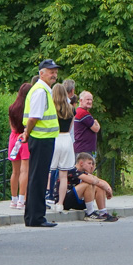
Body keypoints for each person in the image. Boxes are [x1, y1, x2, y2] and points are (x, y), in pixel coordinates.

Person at [21, 59, 61, 228]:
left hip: (42, 139)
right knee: (38, 178)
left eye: (55, 71)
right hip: (41, 139)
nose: (54, 74)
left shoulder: (44, 90)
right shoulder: (40, 91)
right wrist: (27, 133)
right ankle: (36, 217)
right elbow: (34, 117)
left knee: (37, 177)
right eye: (50, 71)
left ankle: (33, 217)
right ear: (41, 73)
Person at [61, 153, 118, 221]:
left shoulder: (83, 173)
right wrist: (106, 189)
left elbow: (101, 182)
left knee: (99, 187)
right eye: (89, 163)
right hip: (65, 201)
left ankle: (103, 213)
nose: (91, 166)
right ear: (81, 163)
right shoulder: (73, 170)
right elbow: (92, 181)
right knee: (88, 184)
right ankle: (90, 213)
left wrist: (108, 189)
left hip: (76, 201)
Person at [49, 84, 75, 212]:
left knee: (49, 170)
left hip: (54, 138)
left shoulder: (51, 108)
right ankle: (60, 203)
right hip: (66, 139)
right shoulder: (70, 108)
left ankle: (48, 197)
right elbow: (70, 128)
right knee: (63, 174)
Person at [7, 82, 32, 210]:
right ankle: (22, 199)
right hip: (25, 138)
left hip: (14, 138)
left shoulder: (12, 108)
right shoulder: (30, 108)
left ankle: (13, 199)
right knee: (25, 171)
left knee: (15, 171)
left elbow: (11, 126)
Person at [73, 90, 100, 157]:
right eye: (87, 99)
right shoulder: (83, 114)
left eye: (91, 100)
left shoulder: (78, 112)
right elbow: (96, 129)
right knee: (87, 167)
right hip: (85, 150)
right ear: (81, 100)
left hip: (82, 149)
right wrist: (97, 123)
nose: (90, 102)